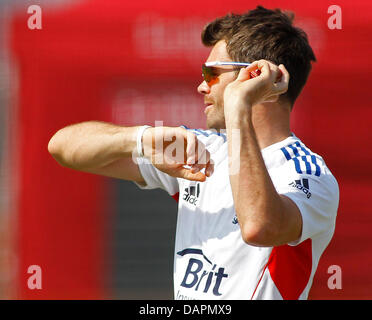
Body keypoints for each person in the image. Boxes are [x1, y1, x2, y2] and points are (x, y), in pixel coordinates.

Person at [48, 6, 339, 300]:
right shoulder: (205, 149)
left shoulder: (308, 174)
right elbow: (62, 147)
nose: (201, 86)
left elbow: (258, 228)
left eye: (211, 73)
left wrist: (239, 106)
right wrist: (140, 138)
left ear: (256, 76)